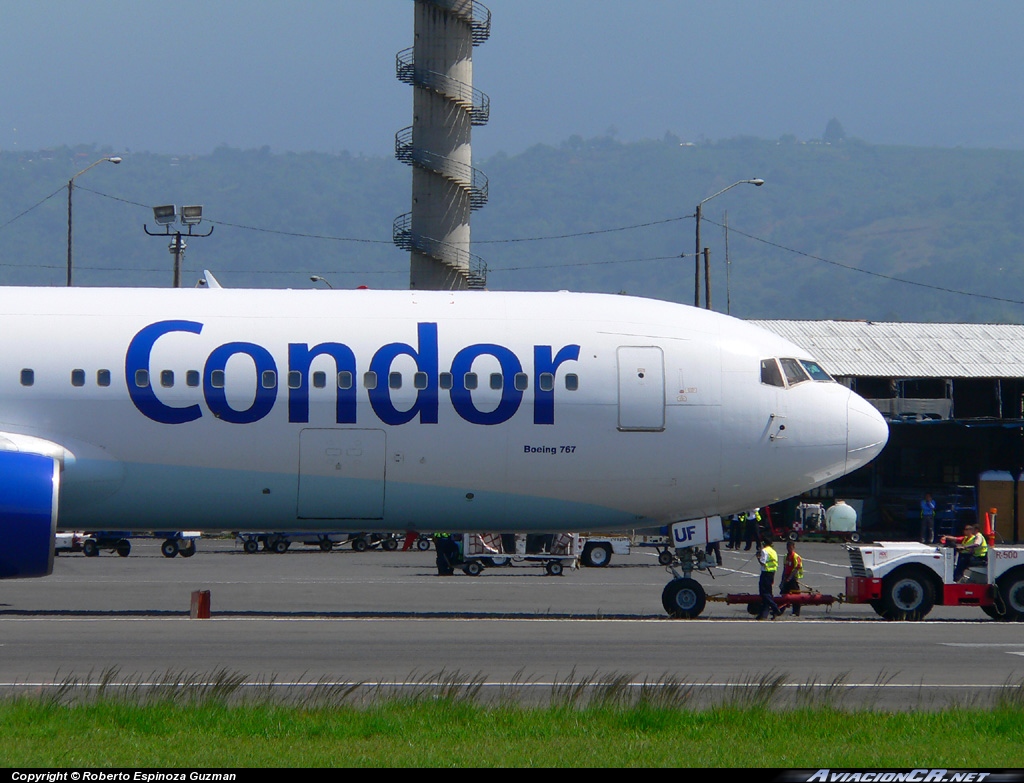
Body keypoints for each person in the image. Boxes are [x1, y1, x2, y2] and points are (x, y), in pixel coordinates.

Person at [756, 539, 782, 619]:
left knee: (764, 593)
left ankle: (775, 608)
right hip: (772, 572)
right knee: (768, 592)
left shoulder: (764, 551)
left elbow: (763, 562)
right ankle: (764, 614)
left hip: (766, 572)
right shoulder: (773, 551)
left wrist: (758, 557)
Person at [779, 540, 804, 617]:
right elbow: (785, 568)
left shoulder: (796, 557)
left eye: (790, 547)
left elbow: (797, 568)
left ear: (793, 547)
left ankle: (796, 612)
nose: (789, 549)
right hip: (786, 578)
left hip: (793, 579)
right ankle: (780, 610)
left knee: (796, 595)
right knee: (783, 594)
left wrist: (790, 578)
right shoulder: (786, 556)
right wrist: (782, 580)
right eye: (788, 547)